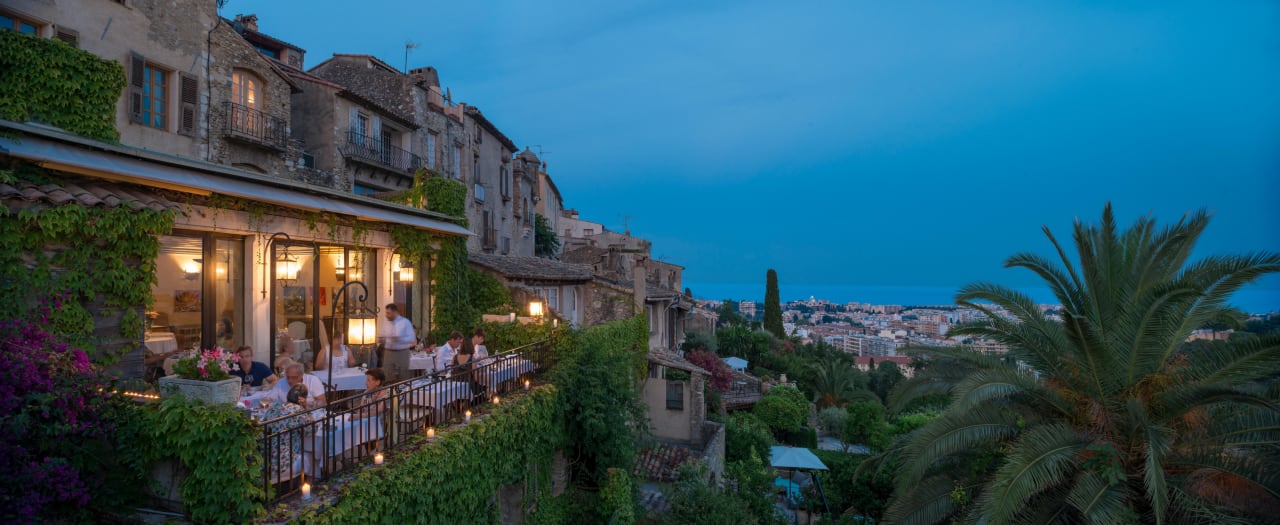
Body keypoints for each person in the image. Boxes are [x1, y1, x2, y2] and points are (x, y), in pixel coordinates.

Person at [261, 384, 313, 483]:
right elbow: (311, 430)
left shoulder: (274, 407)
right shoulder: (298, 411)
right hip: (282, 464)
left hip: (264, 461)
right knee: (309, 455)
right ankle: (306, 486)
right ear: (303, 399)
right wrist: (307, 410)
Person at [377, 303, 416, 383]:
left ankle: (404, 393)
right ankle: (390, 393)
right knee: (387, 374)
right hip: (388, 352)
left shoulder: (405, 322)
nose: (386, 315)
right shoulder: (385, 323)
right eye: (386, 313)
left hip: (402, 352)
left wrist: (400, 339)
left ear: (395, 312)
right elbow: (382, 334)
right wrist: (382, 339)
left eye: (389, 313)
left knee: (403, 375)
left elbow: (412, 338)